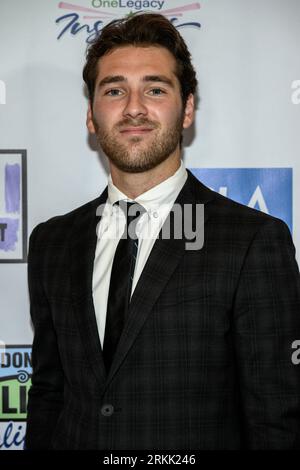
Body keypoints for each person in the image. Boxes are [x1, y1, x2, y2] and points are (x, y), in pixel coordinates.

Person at [25, 12, 300, 450]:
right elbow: (47, 396)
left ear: (187, 108)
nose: (134, 107)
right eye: (114, 90)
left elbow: (277, 420)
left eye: (155, 89)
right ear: (92, 116)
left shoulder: (251, 241)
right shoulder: (52, 242)